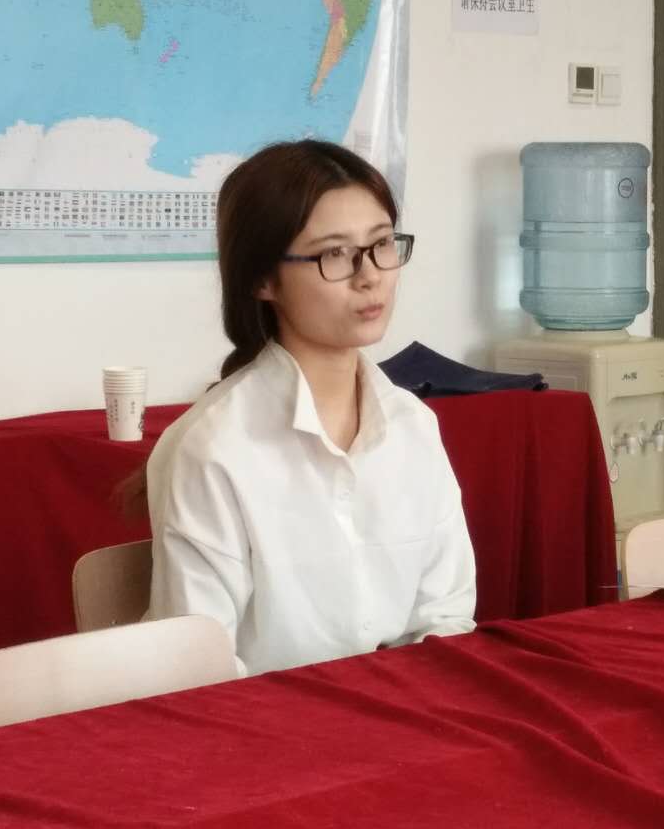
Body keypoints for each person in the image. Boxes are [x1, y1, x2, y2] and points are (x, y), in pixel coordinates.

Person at [139, 139, 477, 675]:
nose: (370, 275)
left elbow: (446, 616)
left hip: (403, 707)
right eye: (334, 254)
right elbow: (200, 668)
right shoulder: (214, 448)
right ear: (263, 280)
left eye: (381, 244)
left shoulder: (412, 425)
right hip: (263, 721)